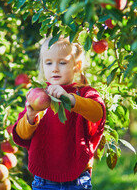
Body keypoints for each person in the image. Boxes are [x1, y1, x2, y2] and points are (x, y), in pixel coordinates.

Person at [12, 37, 106, 189]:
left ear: (77, 66)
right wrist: (31, 116)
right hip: (44, 180)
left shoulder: (83, 93)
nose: (54, 68)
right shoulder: (38, 95)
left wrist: (70, 99)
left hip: (77, 179)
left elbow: (97, 114)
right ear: (43, 65)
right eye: (48, 63)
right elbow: (21, 134)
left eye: (62, 62)